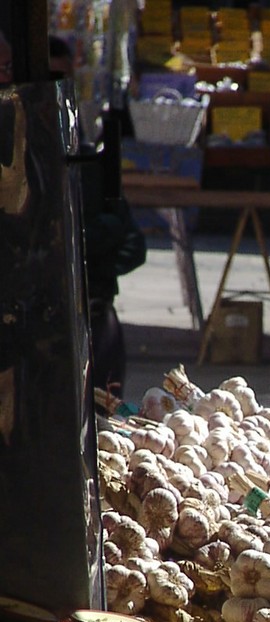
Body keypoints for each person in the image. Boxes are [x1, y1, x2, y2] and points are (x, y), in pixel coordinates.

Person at [49, 35, 146, 398]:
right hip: (39, 324)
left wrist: (90, 257)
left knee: (106, 412)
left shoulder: (87, 163)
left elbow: (132, 244)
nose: (56, 92)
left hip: (93, 311)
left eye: (63, 80)